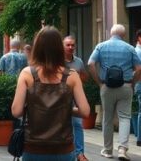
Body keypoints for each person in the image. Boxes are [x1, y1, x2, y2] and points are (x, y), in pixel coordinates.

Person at [12, 26, 90, 161]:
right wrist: (66, 109)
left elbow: (16, 111)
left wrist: (33, 107)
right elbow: (85, 111)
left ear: (37, 48)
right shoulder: (72, 76)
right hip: (63, 148)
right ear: (59, 49)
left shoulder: (27, 74)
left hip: (33, 148)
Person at [88, 24, 141, 161]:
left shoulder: (101, 46)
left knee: (107, 118)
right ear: (123, 35)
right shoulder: (130, 48)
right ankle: (122, 149)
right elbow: (140, 67)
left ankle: (107, 150)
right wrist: (133, 82)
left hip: (107, 86)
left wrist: (99, 82)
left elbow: (90, 63)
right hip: (126, 86)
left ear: (110, 33)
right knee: (124, 117)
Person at [64, 35, 88, 161]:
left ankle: (80, 153)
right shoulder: (57, 61)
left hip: (74, 97)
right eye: (68, 45)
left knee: (78, 124)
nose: (70, 47)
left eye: (72, 45)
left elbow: (85, 77)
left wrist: (78, 78)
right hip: (61, 98)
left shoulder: (78, 61)